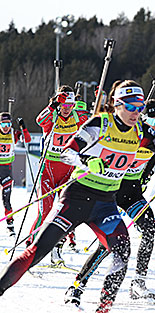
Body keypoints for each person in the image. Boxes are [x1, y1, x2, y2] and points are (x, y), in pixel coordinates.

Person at [0, 80, 155, 313]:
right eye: (131, 106)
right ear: (117, 104)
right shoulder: (100, 124)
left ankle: (102, 309)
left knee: (122, 251)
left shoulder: (142, 132)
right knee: (36, 251)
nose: (137, 112)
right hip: (75, 199)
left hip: (105, 204)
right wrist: (86, 161)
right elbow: (67, 153)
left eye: (140, 106)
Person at [63, 99, 155, 305]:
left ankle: (138, 282)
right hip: (109, 190)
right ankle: (78, 285)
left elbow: (152, 164)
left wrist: (146, 182)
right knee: (109, 243)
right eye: (153, 120)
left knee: (149, 227)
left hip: (131, 192)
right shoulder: (131, 132)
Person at [30, 86, 89, 262]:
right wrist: (52, 105)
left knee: (64, 212)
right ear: (58, 103)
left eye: (70, 105)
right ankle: (31, 249)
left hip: (68, 170)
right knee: (45, 211)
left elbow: (93, 122)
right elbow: (40, 120)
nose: (66, 108)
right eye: (63, 104)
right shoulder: (52, 116)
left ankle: (56, 250)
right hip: (48, 170)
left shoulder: (78, 116)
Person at [0, 113, 31, 236]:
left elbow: (27, 140)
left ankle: (10, 225)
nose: (6, 127)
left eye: (8, 124)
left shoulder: (14, 134)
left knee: (6, 199)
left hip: (6, 170)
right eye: (3, 124)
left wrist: (23, 127)